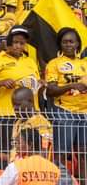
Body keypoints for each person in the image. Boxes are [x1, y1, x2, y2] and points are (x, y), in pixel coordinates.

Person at [0, 26, 41, 167]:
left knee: (30, 156)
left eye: (22, 43)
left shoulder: (30, 61)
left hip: (30, 116)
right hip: (6, 115)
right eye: (15, 42)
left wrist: (41, 84)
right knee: (7, 155)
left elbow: (35, 84)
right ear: (9, 41)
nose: (18, 46)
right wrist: (1, 83)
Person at [45, 28, 87, 179]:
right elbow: (50, 90)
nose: (68, 45)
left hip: (84, 113)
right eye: (64, 42)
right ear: (59, 44)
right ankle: (60, 181)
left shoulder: (85, 64)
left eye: (71, 41)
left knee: (83, 153)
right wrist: (71, 86)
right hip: (64, 111)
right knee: (62, 152)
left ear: (77, 44)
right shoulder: (54, 64)